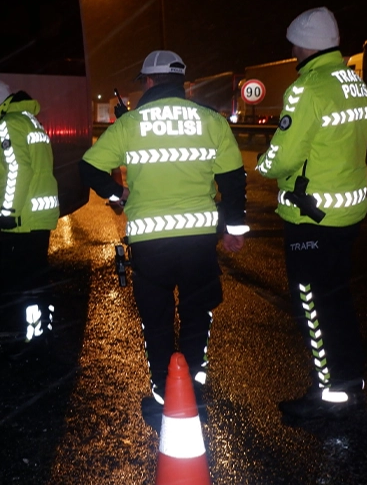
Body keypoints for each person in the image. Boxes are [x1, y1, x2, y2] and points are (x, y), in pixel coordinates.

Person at [78, 50, 248, 431]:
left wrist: (116, 195)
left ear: (149, 82)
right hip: (199, 241)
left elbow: (87, 166)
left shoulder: (130, 124)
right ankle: (191, 389)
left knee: (156, 321)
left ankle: (162, 395)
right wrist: (234, 229)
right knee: (196, 313)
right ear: (182, 82)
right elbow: (234, 179)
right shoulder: (211, 121)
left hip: (150, 245)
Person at [255, 7, 367, 423]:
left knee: (313, 306)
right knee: (337, 301)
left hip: (312, 218)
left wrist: (264, 166)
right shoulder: (353, 83)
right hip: (346, 213)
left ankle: (329, 396)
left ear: (306, 45)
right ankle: (349, 384)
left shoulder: (308, 88)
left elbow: (285, 155)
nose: (291, 50)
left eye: (294, 43)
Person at [0, 80, 60, 342]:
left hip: (23, 218)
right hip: (38, 215)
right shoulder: (29, 120)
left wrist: (9, 211)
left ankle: (23, 334)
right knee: (36, 278)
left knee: (19, 280)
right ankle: (41, 331)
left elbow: (17, 169)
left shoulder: (8, 123)